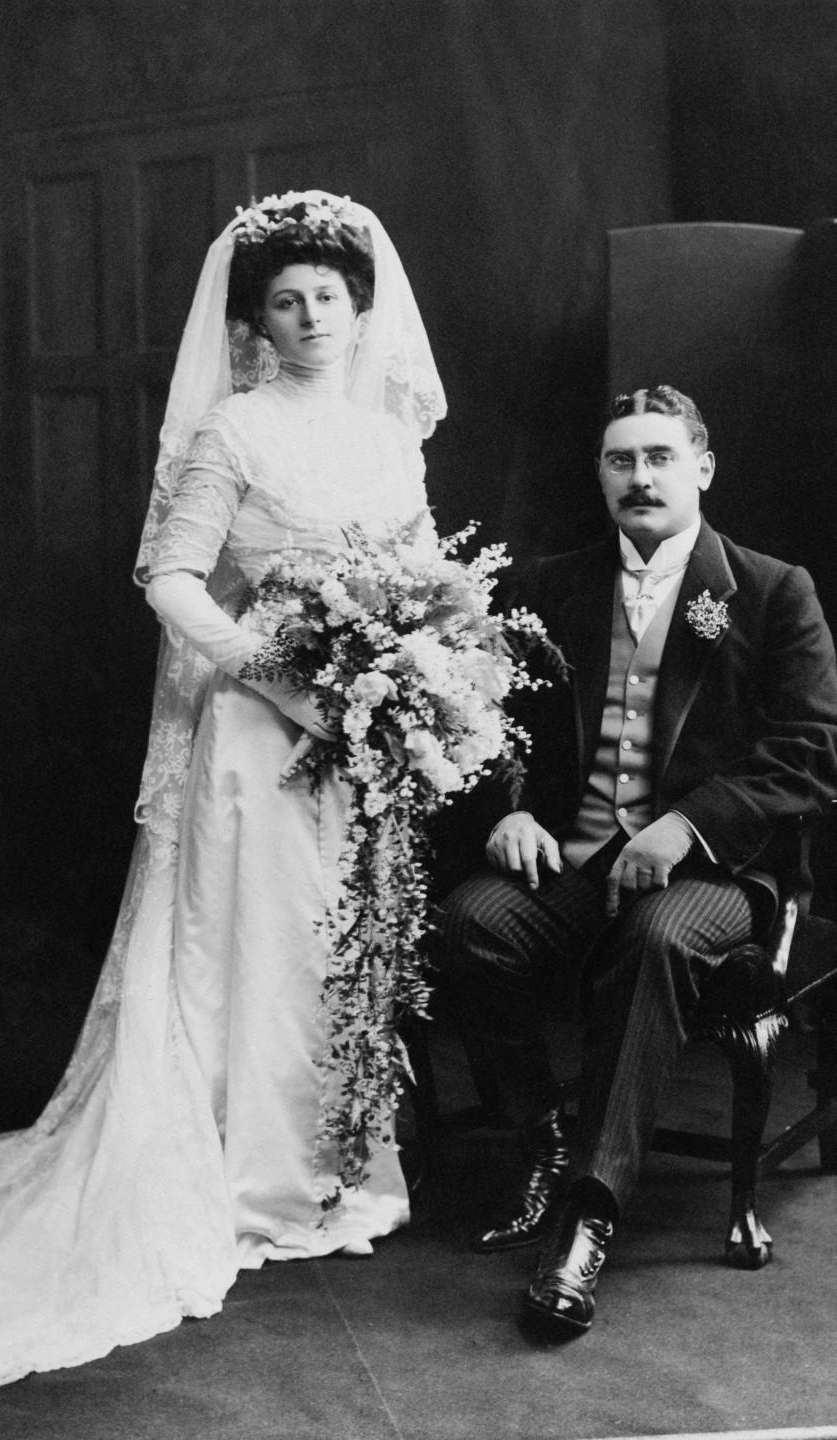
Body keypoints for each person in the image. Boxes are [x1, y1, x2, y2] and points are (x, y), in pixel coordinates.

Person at [0, 190, 446, 1408]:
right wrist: (283, 677)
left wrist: (414, 672)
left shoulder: (391, 437)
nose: (310, 319)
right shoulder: (234, 431)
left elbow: (425, 573)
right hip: (255, 732)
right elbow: (171, 578)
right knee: (253, 943)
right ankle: (244, 1176)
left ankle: (332, 1170)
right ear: (258, 323)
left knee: (336, 945)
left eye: (327, 299)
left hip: (360, 735)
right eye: (286, 303)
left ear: (359, 311)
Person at [437, 385, 837, 1336]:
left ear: (702, 467)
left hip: (713, 878)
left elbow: (813, 749)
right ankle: (541, 1132)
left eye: (660, 457)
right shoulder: (551, 584)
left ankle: (587, 1215)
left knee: (656, 939)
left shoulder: (773, 591)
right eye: (622, 460)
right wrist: (511, 809)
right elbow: (485, 717)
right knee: (468, 924)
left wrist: (687, 826)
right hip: (573, 860)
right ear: (602, 476)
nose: (640, 476)